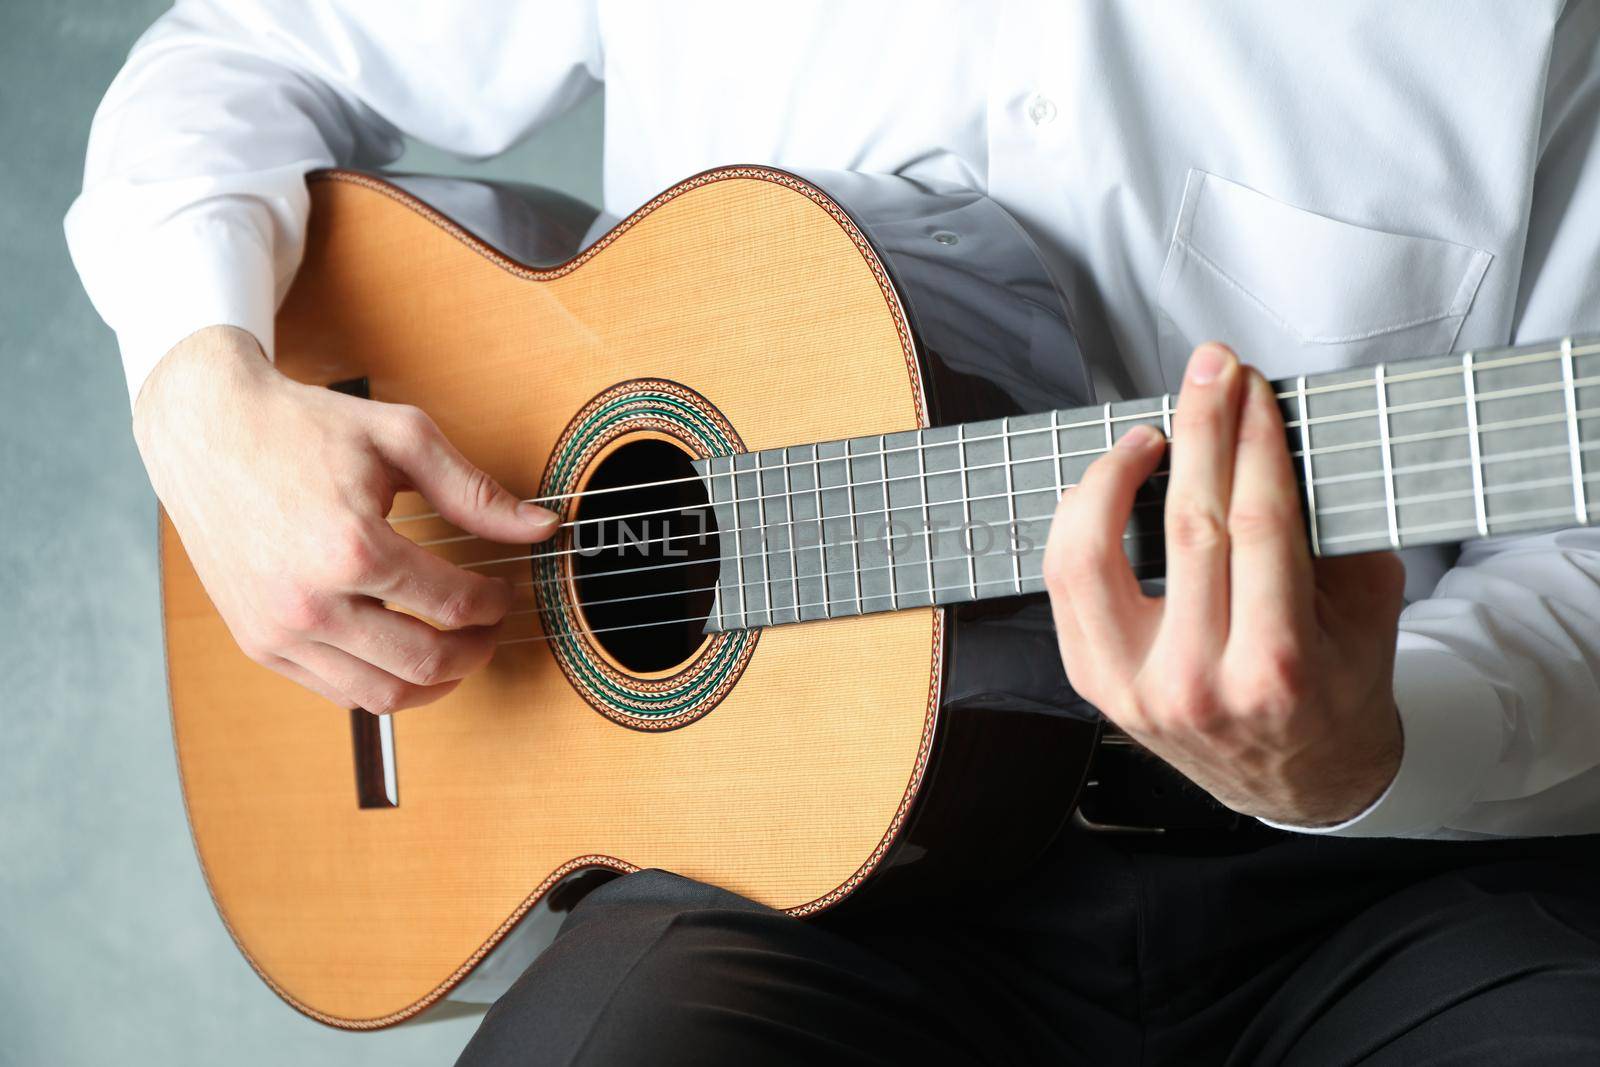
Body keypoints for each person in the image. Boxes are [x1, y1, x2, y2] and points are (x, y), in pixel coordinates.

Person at [67, 2, 1600, 1063]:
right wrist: (200, 389)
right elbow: (240, 54)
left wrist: (1371, 748)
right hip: (775, 877)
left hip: (1391, 884)